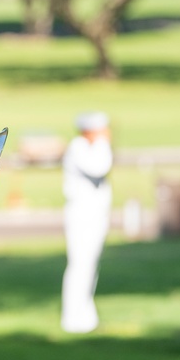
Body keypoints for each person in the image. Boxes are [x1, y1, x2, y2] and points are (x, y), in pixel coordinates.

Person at [61, 111, 113, 333]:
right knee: (80, 264)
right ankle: (73, 317)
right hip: (82, 215)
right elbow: (100, 166)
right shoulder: (79, 147)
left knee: (89, 265)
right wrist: (103, 143)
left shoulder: (88, 148)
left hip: (94, 214)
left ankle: (85, 314)